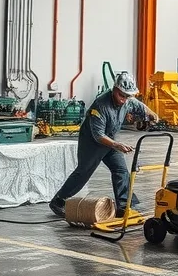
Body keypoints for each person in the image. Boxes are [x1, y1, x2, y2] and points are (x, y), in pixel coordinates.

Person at [49, 72, 159, 218]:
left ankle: (123, 206)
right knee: (84, 172)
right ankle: (58, 201)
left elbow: (141, 107)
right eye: (121, 95)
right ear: (114, 89)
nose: (124, 100)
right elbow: (98, 135)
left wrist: (153, 115)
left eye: (127, 96)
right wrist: (117, 145)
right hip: (92, 142)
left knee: (121, 170)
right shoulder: (100, 105)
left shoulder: (127, 100)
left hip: (111, 140)